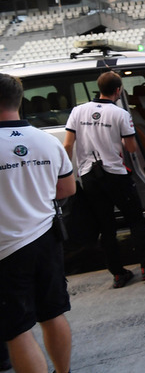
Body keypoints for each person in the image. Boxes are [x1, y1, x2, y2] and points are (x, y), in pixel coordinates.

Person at [63, 71, 145, 289]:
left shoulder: (78, 111)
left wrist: (70, 173)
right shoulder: (120, 114)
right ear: (118, 90)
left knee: (106, 226)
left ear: (98, 88)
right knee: (135, 220)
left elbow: (67, 145)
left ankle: (118, 274)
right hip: (115, 174)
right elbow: (131, 147)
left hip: (89, 176)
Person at [0, 73, 75, 373]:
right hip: (46, 238)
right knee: (53, 313)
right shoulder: (47, 141)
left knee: (16, 329)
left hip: (6, 248)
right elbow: (67, 189)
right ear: (19, 101)